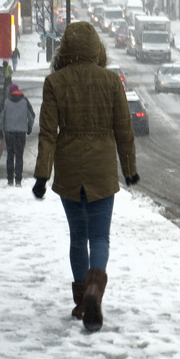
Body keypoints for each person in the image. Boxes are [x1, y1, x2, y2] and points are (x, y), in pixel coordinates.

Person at [33, 21, 139, 332]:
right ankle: (96, 290)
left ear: (65, 48)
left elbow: (47, 133)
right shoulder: (110, 80)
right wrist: (129, 169)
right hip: (102, 167)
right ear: (96, 48)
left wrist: (42, 175)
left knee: (78, 237)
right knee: (100, 236)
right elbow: (124, 130)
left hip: (68, 166)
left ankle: (81, 301)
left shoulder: (55, 82)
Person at [0, 83, 35, 187]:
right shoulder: (25, 101)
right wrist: (29, 127)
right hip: (21, 133)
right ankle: (18, 179)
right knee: (19, 156)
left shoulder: (5, 101)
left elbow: (0, 116)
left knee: (10, 155)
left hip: (9, 132)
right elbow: (31, 116)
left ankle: (10, 179)